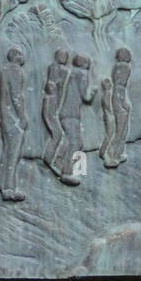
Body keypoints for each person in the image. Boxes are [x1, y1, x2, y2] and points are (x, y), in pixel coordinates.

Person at [50, 53, 96, 185]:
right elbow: (86, 97)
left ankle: (57, 162)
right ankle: (67, 172)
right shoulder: (81, 73)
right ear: (84, 63)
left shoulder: (72, 73)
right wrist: (93, 91)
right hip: (71, 114)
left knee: (72, 141)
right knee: (75, 142)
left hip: (67, 112)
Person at [0, 47, 28, 201]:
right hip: (12, 116)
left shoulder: (4, 70)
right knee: (13, 152)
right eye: (20, 54)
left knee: (9, 149)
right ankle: (8, 187)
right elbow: (16, 95)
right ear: (15, 56)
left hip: (5, 114)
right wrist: (22, 116)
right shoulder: (15, 70)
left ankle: (0, 181)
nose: (23, 56)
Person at [100, 47, 132, 168]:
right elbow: (119, 86)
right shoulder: (123, 66)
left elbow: (120, 87)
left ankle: (118, 153)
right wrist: (122, 104)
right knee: (120, 130)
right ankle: (111, 155)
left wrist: (124, 103)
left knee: (123, 130)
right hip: (118, 99)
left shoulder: (121, 67)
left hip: (120, 98)